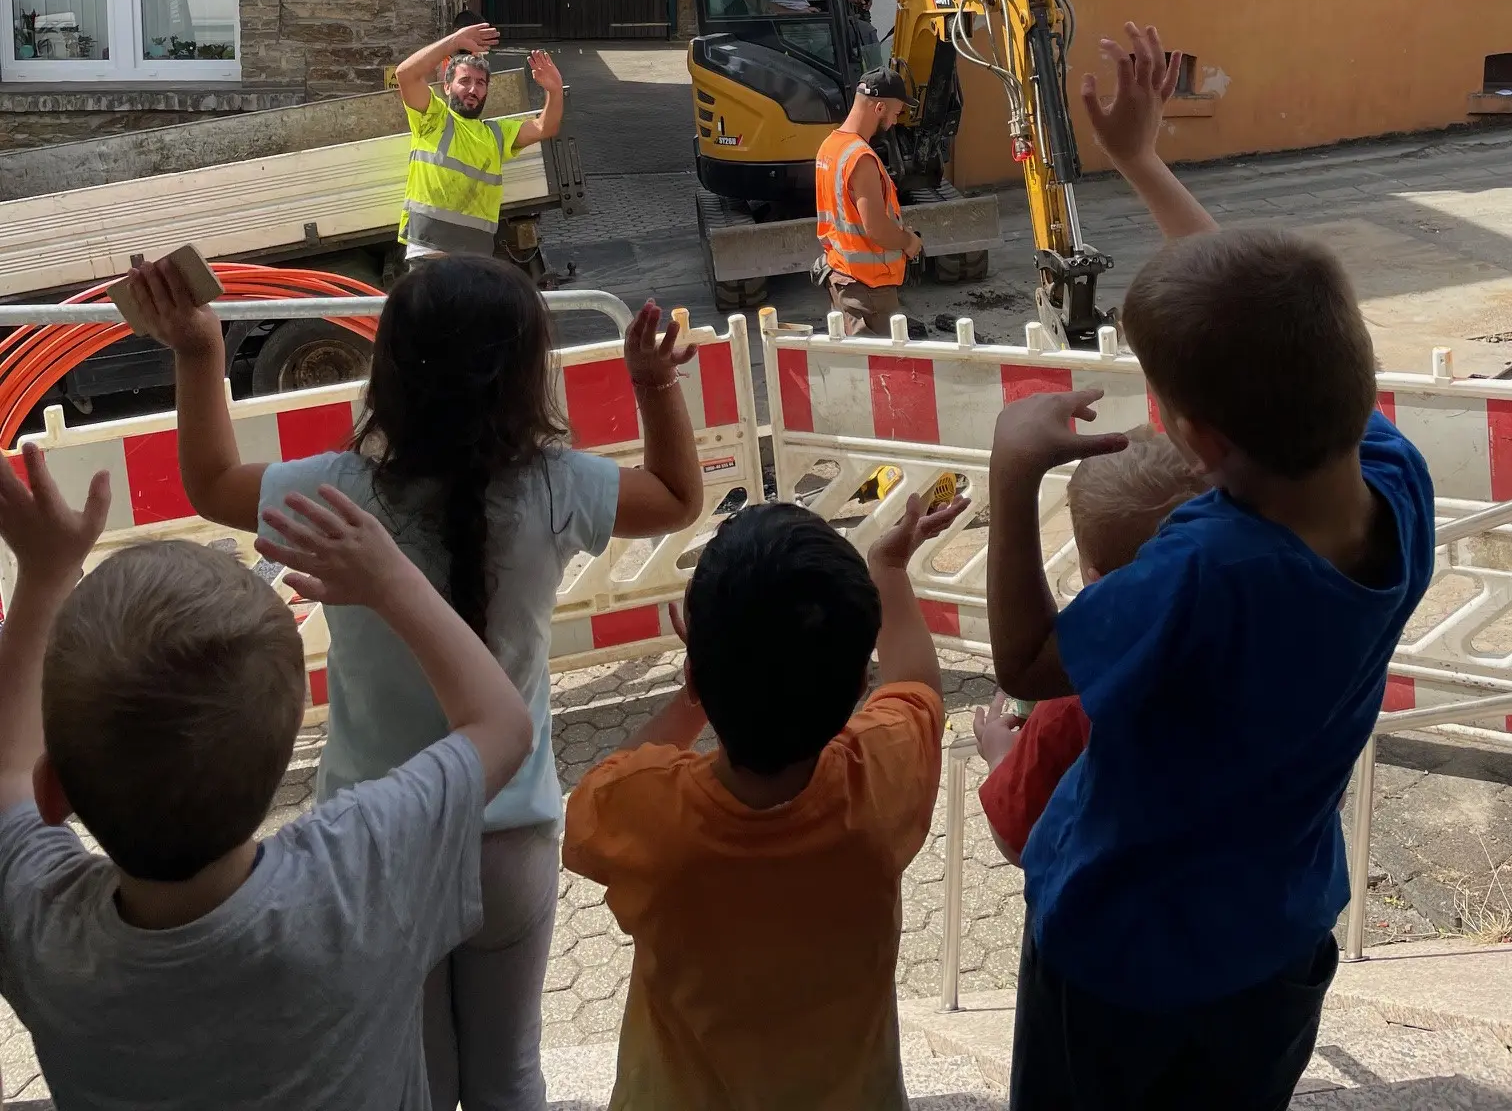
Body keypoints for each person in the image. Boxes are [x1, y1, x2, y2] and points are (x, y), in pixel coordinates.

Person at [126, 251, 705, 1111]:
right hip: (510, 837)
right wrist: (652, 383)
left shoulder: (334, 492)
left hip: (380, 845)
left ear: (388, 370)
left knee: (419, 1083)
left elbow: (209, 482)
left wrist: (198, 353)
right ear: (522, 376)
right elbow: (676, 497)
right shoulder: (555, 486)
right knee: (510, 1076)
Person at [985, 22, 1436, 1111]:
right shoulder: (1393, 478)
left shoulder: (1209, 567)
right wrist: (1144, 161)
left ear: (1207, 445)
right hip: (1274, 946)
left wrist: (1012, 476)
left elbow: (1030, 663)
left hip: (1122, 967)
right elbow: (1268, 324)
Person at [0, 439, 534, 1111]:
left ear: (56, 794)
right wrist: (392, 581)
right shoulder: (359, 871)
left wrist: (44, 575)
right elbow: (504, 728)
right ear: (287, 750)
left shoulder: (42, 929)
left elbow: (6, 772)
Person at [562, 487, 967, 1110]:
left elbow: (603, 783)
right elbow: (917, 686)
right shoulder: (878, 777)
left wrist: (690, 696)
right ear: (859, 683)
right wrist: (889, 570)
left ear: (698, 673)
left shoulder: (642, 811)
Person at [972, 426, 1206, 862]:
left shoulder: (1073, 697)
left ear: (1092, 575)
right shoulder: (1256, 647)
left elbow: (1015, 837)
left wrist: (1000, 755)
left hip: (1106, 920)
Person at [394, 20, 564, 262]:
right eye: (465, 81)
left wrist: (555, 90)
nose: (473, 89)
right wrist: (452, 42)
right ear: (447, 87)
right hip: (429, 253)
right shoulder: (433, 120)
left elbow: (545, 127)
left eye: (481, 83)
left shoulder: (496, 134)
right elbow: (406, 74)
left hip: (476, 260)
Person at [814, 68, 923, 337]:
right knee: (881, 373)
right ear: (879, 107)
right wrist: (910, 242)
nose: (896, 122)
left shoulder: (830, 146)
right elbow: (876, 229)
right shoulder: (861, 159)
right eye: (896, 113)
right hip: (868, 290)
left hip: (841, 276)